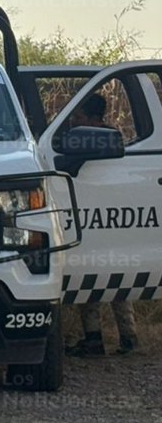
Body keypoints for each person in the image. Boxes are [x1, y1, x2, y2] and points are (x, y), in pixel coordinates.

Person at [66, 93, 139, 356]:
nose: (74, 122)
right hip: (107, 217)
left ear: (94, 119)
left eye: (79, 117)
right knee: (112, 278)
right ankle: (125, 338)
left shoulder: (93, 141)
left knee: (97, 277)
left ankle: (99, 338)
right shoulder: (112, 139)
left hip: (101, 218)